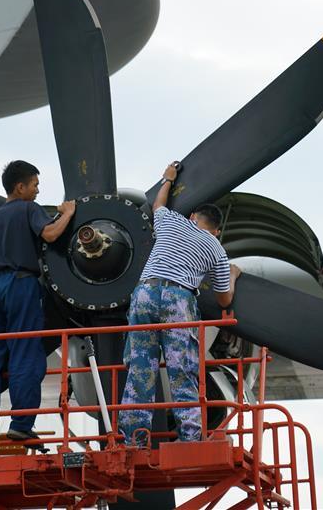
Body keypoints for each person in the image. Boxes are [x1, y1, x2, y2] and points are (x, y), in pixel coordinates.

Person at [118, 161, 241, 445]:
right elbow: (224, 298)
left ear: (194, 216)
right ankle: (189, 438)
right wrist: (232, 274)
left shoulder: (173, 221)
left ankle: (134, 438)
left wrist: (168, 179)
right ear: (217, 231)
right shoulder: (216, 249)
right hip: (178, 298)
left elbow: (157, 205)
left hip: (145, 294)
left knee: (140, 368)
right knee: (181, 368)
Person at [0, 160, 75, 443]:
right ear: (21, 187)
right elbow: (51, 234)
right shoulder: (29, 209)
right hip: (20, 283)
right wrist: (68, 213)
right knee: (25, 353)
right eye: (35, 185)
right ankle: (21, 422)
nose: (38, 190)